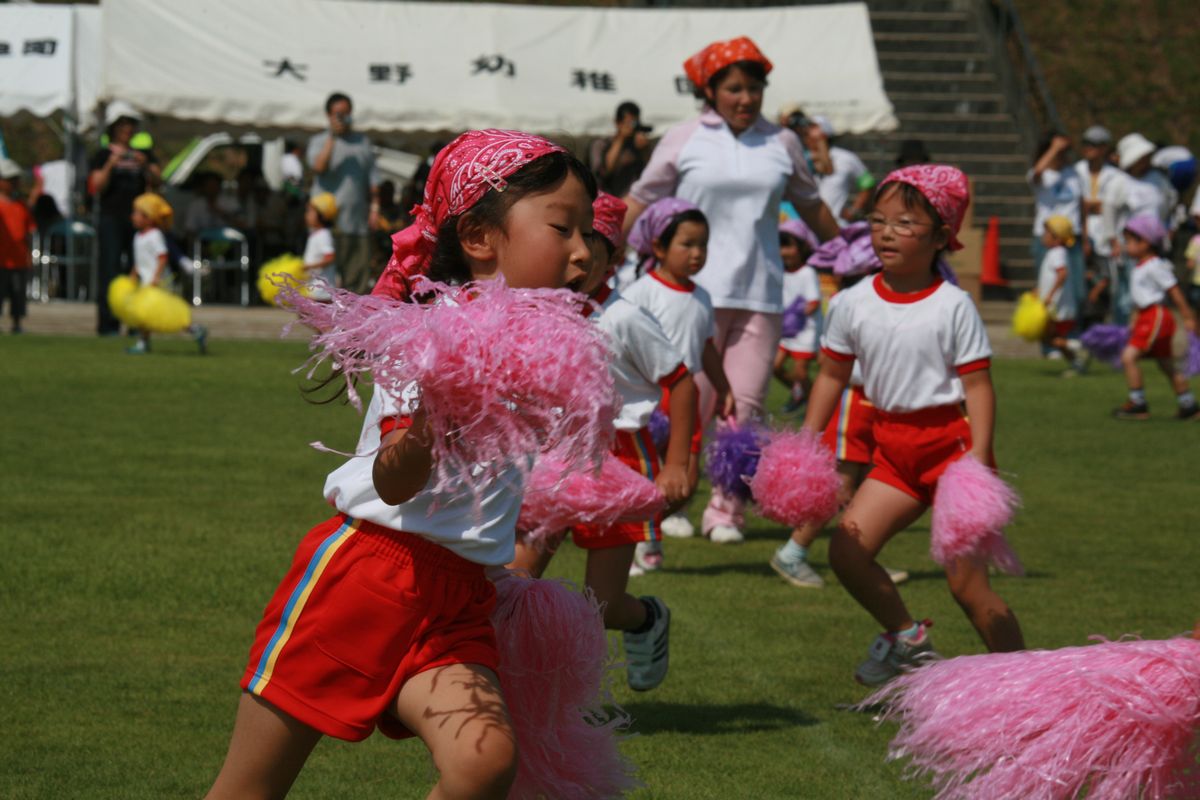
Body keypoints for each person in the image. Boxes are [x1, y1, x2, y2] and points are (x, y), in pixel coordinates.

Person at [205, 129, 597, 800]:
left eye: (587, 233)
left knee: (483, 764)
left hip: (459, 598)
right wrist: (430, 423)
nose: (584, 252)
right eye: (563, 228)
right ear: (478, 238)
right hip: (368, 577)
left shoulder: (545, 349)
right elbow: (393, 478)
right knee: (249, 789)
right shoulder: (428, 338)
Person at [803, 164, 1025, 686]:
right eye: (878, 220)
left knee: (968, 588)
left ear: (941, 237)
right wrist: (806, 441)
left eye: (905, 223)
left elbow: (978, 387)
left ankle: (1021, 683)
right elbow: (832, 374)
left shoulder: (953, 306)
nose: (886, 232)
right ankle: (907, 638)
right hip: (894, 453)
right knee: (846, 551)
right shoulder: (852, 301)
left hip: (953, 454)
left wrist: (979, 458)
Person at [623, 35, 839, 544]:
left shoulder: (782, 143)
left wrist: (849, 250)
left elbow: (810, 204)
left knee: (744, 406)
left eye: (755, 88)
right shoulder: (685, 137)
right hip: (689, 293)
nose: (745, 98)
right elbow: (641, 196)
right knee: (686, 402)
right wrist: (600, 244)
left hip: (761, 294)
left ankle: (726, 511)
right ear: (710, 90)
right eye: (734, 89)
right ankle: (671, 499)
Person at [509, 191, 694, 692]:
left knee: (603, 603)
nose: (580, 257)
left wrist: (679, 462)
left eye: (594, 246)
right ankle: (527, 693)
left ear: (614, 258)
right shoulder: (540, 309)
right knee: (513, 581)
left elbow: (681, 382)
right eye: (570, 242)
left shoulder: (624, 317)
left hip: (620, 460)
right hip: (553, 458)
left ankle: (646, 619)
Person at [770, 280, 909, 590]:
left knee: (867, 486)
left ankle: (861, 556)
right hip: (851, 400)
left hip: (875, 400)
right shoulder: (850, 299)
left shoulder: (896, 294)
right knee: (839, 485)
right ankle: (792, 552)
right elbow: (829, 359)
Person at [623, 198, 736, 548]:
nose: (697, 253)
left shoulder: (702, 296)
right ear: (658, 245)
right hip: (649, 397)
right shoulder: (640, 293)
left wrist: (724, 387)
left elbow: (705, 347)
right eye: (687, 244)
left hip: (687, 398)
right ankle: (637, 540)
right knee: (644, 474)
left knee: (686, 483)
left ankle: (645, 532)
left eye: (702, 244)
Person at [1111, 213, 1199, 421]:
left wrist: (1187, 316)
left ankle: (1137, 402)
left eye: (1130, 241)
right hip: (1146, 316)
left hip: (1155, 317)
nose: (1126, 246)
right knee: (1166, 364)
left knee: (1128, 357)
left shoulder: (1155, 266)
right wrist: (1135, 320)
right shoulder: (1141, 266)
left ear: (1146, 243)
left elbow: (1173, 290)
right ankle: (1188, 405)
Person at [89, 101, 160, 335]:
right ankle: (108, 324)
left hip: (138, 221)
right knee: (109, 269)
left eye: (130, 125)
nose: (127, 129)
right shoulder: (102, 155)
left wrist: (146, 165)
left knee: (138, 270)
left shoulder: (144, 155)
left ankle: (135, 322)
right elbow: (97, 185)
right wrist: (112, 161)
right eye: (122, 125)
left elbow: (159, 180)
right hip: (111, 218)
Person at [307, 92, 380, 294]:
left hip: (357, 223)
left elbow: (373, 181)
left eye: (347, 113)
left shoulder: (362, 142)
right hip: (326, 225)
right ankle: (324, 323)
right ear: (328, 115)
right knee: (322, 283)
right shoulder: (319, 141)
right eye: (338, 114)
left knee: (356, 280)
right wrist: (332, 136)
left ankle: (350, 324)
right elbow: (318, 167)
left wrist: (375, 209)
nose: (344, 118)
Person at [125, 193, 207, 356]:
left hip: (158, 282)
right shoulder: (137, 237)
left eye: (137, 213)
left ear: (149, 218)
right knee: (143, 316)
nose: (133, 217)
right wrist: (133, 273)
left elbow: (162, 257)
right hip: (146, 282)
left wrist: (156, 276)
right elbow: (140, 259)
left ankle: (194, 329)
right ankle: (143, 343)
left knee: (168, 315)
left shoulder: (154, 236)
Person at [1028, 133, 1086, 337]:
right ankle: (1048, 341)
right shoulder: (1041, 174)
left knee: (1076, 291)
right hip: (1047, 239)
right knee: (1046, 290)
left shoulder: (1075, 174)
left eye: (1065, 152)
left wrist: (1085, 239)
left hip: (1072, 238)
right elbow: (1036, 173)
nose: (1062, 156)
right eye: (1058, 153)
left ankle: (1071, 340)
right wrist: (1054, 148)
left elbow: (1082, 207)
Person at [1074, 126, 1125, 325]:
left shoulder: (1115, 175)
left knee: (1107, 281)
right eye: (1086, 144)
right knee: (1082, 281)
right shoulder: (1076, 170)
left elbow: (1110, 205)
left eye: (1094, 145)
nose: (1089, 148)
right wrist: (1096, 205)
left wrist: (1092, 205)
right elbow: (1081, 204)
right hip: (1082, 230)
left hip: (1105, 232)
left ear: (1104, 148)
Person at [773, 218, 822, 413]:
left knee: (801, 371)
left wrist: (798, 312)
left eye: (788, 247)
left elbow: (814, 302)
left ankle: (813, 403)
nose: (784, 252)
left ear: (802, 248)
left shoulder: (807, 273)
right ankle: (799, 392)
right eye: (781, 247)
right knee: (774, 367)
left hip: (805, 332)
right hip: (787, 330)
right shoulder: (781, 272)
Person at [796, 114, 875, 225]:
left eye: (813, 126)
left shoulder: (846, 158)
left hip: (837, 226)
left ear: (825, 132)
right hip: (803, 226)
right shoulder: (799, 157)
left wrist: (854, 211)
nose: (807, 131)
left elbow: (868, 183)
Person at [1037, 215, 1085, 373]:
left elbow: (1062, 274)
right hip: (1056, 306)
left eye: (1047, 233)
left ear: (1057, 238)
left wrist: (1050, 295)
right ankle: (1077, 364)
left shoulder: (1057, 252)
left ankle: (1080, 346)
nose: (1044, 237)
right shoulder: (1056, 252)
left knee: (1049, 337)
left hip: (1058, 307)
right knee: (1054, 339)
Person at [0, 158, 37, 334]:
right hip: (2, 259)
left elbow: (28, 231)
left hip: (19, 258)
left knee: (18, 293)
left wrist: (29, 255)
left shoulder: (21, 205)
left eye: (15, 180)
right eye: (9, 180)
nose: (14, 184)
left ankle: (17, 322)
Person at [589, 101, 653, 198]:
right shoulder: (601, 145)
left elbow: (651, 173)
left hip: (632, 199)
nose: (632, 127)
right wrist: (621, 139)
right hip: (606, 200)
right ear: (617, 123)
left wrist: (645, 150)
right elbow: (605, 172)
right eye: (628, 123)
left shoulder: (637, 145)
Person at [302, 193, 337, 299]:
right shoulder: (315, 234)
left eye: (310, 212)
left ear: (321, 216)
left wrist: (307, 267)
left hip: (321, 291)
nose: (306, 215)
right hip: (314, 288)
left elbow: (330, 257)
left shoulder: (323, 235)